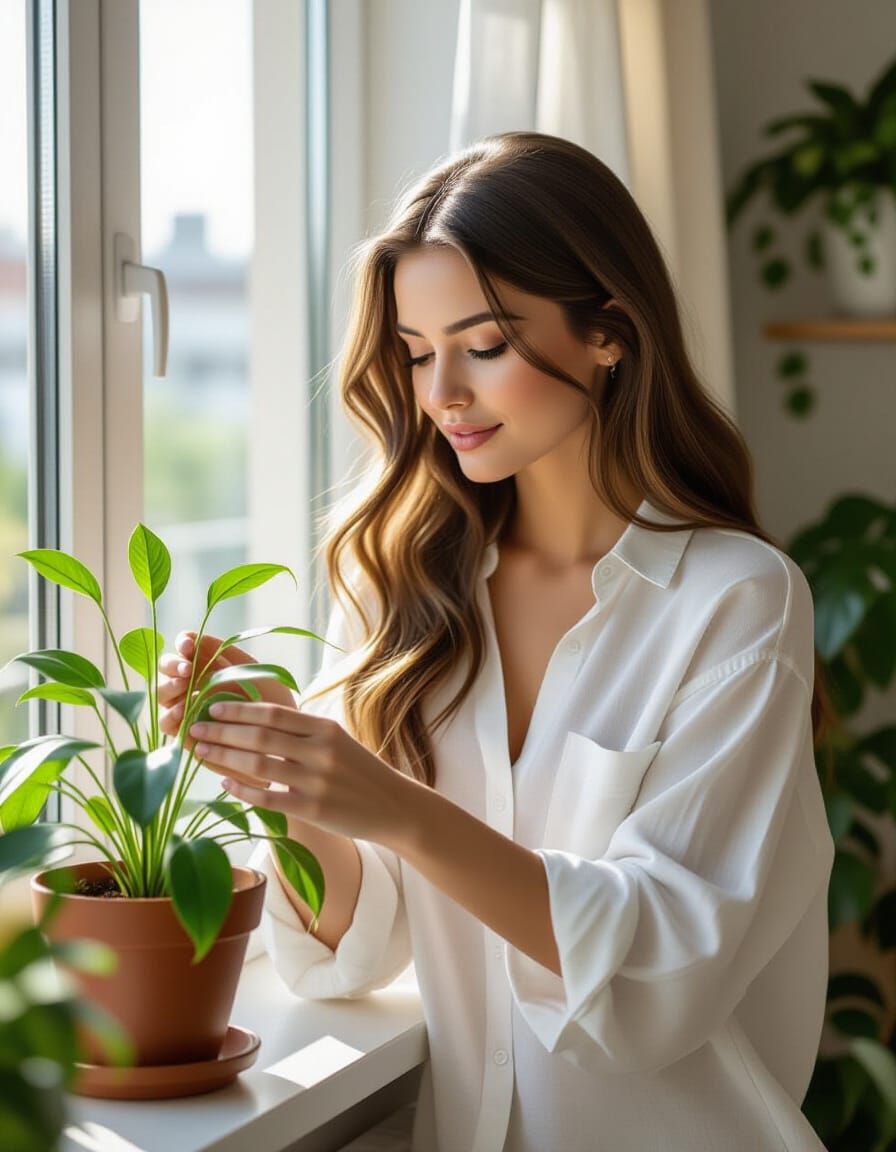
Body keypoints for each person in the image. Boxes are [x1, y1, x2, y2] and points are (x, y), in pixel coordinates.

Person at [158, 131, 836, 1152]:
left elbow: (658, 966)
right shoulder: (411, 589)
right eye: (417, 353)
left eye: (482, 345)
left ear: (605, 333)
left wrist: (398, 808)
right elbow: (354, 946)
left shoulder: (736, 604)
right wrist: (287, 765)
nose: (440, 397)